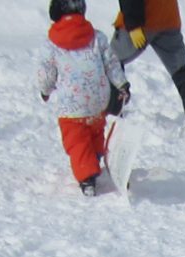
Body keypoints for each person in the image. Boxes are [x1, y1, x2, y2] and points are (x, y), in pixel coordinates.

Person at [37, 0, 130, 197]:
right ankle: (95, 155)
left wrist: (45, 90)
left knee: (76, 139)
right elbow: (112, 63)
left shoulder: (51, 44)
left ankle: (87, 176)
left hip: (72, 105)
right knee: (94, 129)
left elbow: (46, 73)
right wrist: (122, 84)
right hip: (98, 100)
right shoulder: (97, 37)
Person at [109, 1, 185, 141]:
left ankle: (112, 114)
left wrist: (133, 25)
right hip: (168, 18)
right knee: (181, 70)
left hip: (142, 20)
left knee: (111, 62)